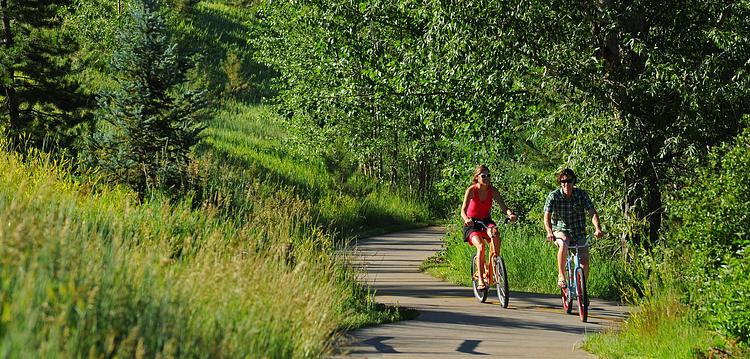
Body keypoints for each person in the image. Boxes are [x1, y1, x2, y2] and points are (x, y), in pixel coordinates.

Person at [543, 168, 603, 288]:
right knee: (564, 243)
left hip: (578, 232)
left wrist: (597, 228)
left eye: (569, 181)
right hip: (560, 230)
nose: (566, 184)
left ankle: (582, 290)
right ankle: (561, 275)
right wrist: (549, 232)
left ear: (573, 181)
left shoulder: (581, 194)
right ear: (560, 183)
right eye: (563, 181)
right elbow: (546, 216)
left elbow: (592, 212)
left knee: (584, 261)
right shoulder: (554, 196)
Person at [461, 165, 517, 290]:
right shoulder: (471, 190)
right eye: (483, 176)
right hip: (472, 224)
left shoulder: (493, 190)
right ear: (477, 177)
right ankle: (481, 280)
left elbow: (503, 207)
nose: (486, 178)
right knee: (481, 246)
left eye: (488, 176)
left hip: (485, 221)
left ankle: (495, 264)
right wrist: (466, 219)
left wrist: (510, 214)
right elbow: (463, 210)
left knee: (495, 234)